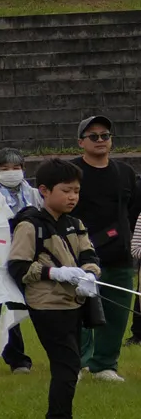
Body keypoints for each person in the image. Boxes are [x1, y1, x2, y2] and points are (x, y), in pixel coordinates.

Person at [7, 159, 103, 419]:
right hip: (47, 304)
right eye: (66, 190)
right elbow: (18, 266)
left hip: (75, 301)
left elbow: (89, 254)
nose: (72, 196)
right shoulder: (30, 225)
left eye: (76, 190)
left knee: (70, 363)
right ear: (45, 191)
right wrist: (55, 273)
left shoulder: (75, 223)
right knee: (68, 363)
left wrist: (89, 275)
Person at [72, 114, 136, 381]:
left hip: (119, 253)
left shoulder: (125, 173)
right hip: (81, 253)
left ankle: (105, 364)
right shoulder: (72, 172)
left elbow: (132, 209)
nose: (100, 140)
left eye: (105, 136)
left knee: (117, 313)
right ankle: (77, 363)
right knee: (77, 311)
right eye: (94, 136)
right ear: (81, 142)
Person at [0, 151, 36, 372]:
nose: (11, 173)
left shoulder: (34, 194)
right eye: (5, 168)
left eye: (15, 167)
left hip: (32, 255)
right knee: (6, 307)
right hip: (1, 258)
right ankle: (17, 359)